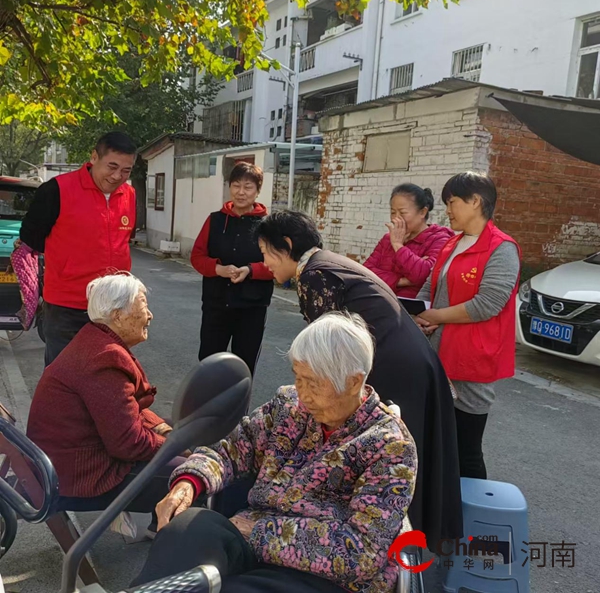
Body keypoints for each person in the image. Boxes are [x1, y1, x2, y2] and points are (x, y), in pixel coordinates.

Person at [131, 313, 417, 593]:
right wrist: (191, 481)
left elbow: (360, 553)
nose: (303, 394)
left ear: (355, 382)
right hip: (250, 540)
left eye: (314, 383)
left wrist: (260, 532)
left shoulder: (389, 446)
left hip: (323, 577)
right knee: (186, 532)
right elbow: (232, 449)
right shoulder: (289, 406)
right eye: (298, 377)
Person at [254, 210, 462, 552]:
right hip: (409, 361)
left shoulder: (316, 275)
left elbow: (325, 360)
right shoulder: (327, 264)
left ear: (287, 246)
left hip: (395, 369)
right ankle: (412, 544)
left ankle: (388, 548)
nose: (264, 263)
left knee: (393, 457)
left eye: (265, 253)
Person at [26, 273, 185, 518]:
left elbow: (125, 407)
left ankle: (162, 526)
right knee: (193, 472)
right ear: (117, 315)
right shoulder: (105, 357)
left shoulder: (95, 339)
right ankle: (173, 541)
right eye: (144, 307)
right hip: (78, 474)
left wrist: (163, 429)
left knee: (178, 428)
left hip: (65, 460)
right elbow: (128, 444)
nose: (150, 315)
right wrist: (176, 447)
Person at [415, 172, 520, 479]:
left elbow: (488, 304)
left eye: (453, 202)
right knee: (437, 444)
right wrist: (421, 313)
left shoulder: (502, 248)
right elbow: (429, 289)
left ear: (476, 201)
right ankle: (441, 515)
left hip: (471, 362)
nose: (447, 209)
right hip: (439, 356)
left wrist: (436, 316)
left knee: (467, 450)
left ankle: (473, 518)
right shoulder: (452, 244)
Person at [18, 131, 138, 366]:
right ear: (94, 157)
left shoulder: (130, 195)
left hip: (113, 308)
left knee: (105, 376)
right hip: (66, 307)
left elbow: (124, 242)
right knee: (62, 378)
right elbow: (31, 238)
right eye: (111, 166)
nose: (117, 176)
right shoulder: (56, 190)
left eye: (126, 170)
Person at [191, 162, 274, 376]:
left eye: (248, 187)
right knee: (208, 364)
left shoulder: (268, 225)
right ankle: (206, 408)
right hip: (216, 305)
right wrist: (218, 269)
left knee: (243, 368)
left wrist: (250, 270)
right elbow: (197, 256)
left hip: (251, 308)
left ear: (257, 190)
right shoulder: (215, 220)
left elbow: (278, 265)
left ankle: (239, 410)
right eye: (236, 185)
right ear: (229, 187)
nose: (241, 192)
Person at [364, 183, 454, 298]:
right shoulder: (388, 239)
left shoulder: (439, 239)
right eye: (392, 212)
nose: (396, 218)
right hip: (378, 300)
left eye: (403, 213)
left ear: (423, 212)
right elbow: (365, 272)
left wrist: (398, 245)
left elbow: (424, 277)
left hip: (411, 309)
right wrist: (401, 281)